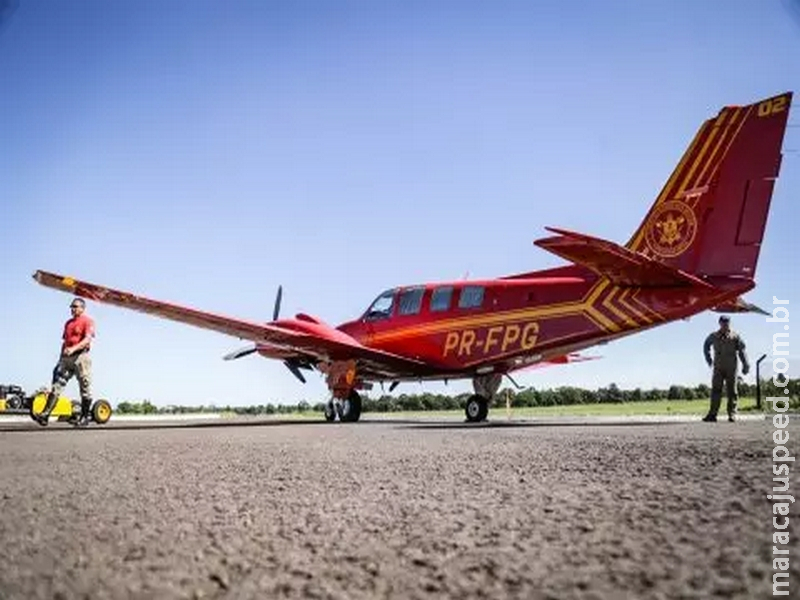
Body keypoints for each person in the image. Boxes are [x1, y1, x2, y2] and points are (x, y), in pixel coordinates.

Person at [33, 297, 95, 427]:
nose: (73, 309)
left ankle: (84, 418)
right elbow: (65, 342)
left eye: (76, 306)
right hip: (66, 359)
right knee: (57, 385)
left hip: (81, 357)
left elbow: (87, 340)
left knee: (85, 386)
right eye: (72, 306)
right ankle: (45, 415)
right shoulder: (68, 323)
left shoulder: (88, 321)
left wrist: (73, 349)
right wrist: (60, 359)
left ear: (83, 308)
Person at [702, 315, 749, 422]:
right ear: (720, 323)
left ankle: (732, 414)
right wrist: (708, 359)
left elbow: (742, 351)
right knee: (716, 390)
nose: (725, 325)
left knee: (732, 391)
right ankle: (712, 414)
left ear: (729, 323)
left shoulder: (735, 336)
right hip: (718, 367)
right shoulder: (713, 336)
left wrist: (746, 364)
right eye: (723, 323)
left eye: (727, 323)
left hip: (731, 367)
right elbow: (706, 345)